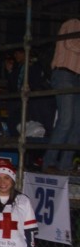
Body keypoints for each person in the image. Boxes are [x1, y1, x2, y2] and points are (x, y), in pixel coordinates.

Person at [43, 18, 80, 173]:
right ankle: (49, 162)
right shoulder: (74, 23)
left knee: (78, 124)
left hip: (76, 77)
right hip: (64, 73)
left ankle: (64, 164)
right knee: (66, 121)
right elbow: (69, 43)